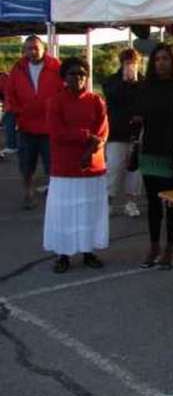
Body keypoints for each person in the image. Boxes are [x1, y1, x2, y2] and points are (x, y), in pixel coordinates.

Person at [44, 57, 109, 273]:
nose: (78, 78)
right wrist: (85, 136)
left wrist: (90, 150)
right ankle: (63, 254)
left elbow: (102, 132)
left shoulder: (96, 101)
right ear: (64, 77)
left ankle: (88, 251)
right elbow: (57, 133)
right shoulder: (55, 102)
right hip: (65, 168)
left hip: (92, 166)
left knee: (89, 211)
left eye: (82, 74)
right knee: (65, 212)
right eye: (72, 73)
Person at [134, 43, 173, 270]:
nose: (161, 63)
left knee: (172, 203)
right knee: (153, 202)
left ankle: (170, 248)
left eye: (165, 58)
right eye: (157, 59)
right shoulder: (145, 86)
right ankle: (154, 245)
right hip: (151, 149)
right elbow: (138, 117)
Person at [4, 35, 62, 209]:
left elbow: (65, 91)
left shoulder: (56, 66)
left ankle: (55, 195)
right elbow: (9, 93)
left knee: (52, 164)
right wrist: (17, 111)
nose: (33, 51)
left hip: (49, 127)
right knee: (26, 164)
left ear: (44, 48)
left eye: (36, 48)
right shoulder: (18, 68)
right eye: (29, 48)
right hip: (27, 127)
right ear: (24, 50)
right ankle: (29, 193)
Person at [102, 48, 143, 217]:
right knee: (114, 167)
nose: (130, 66)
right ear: (121, 63)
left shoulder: (143, 81)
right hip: (116, 132)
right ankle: (108, 202)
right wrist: (125, 82)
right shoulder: (112, 81)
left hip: (136, 133)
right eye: (127, 62)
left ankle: (131, 202)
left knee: (134, 170)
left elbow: (146, 101)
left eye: (133, 62)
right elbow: (111, 96)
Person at [0, 70, 18, 157]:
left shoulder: (3, 78)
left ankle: (11, 145)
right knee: (6, 122)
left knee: (8, 124)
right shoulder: (6, 76)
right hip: (13, 104)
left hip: (11, 105)